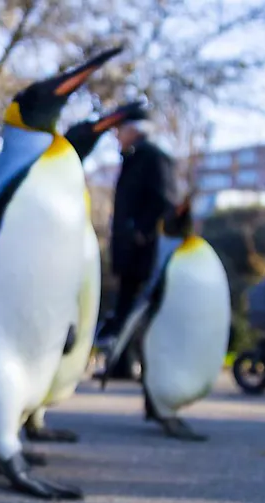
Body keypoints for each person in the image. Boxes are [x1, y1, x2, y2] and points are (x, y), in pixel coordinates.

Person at [100, 108, 179, 347]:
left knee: (140, 305)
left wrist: (140, 233)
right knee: (125, 304)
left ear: (134, 130)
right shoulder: (132, 159)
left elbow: (164, 200)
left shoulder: (153, 157)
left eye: (119, 130)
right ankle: (122, 362)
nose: (116, 136)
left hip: (146, 253)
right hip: (130, 252)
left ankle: (138, 358)